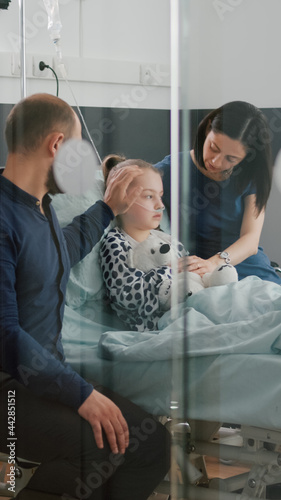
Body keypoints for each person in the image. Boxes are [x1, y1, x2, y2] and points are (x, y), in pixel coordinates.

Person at [0, 94, 170, 500]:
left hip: (42, 381)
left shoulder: (41, 208)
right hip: (8, 396)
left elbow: (63, 250)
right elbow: (5, 335)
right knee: (98, 449)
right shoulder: (5, 218)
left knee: (150, 446)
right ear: (57, 146)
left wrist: (108, 207)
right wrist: (82, 395)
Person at [155, 100, 281, 285]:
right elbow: (133, 180)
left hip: (244, 264)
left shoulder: (249, 175)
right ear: (207, 129)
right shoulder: (172, 169)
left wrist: (215, 262)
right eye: (214, 147)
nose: (215, 161)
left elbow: (251, 240)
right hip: (199, 272)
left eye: (231, 158)